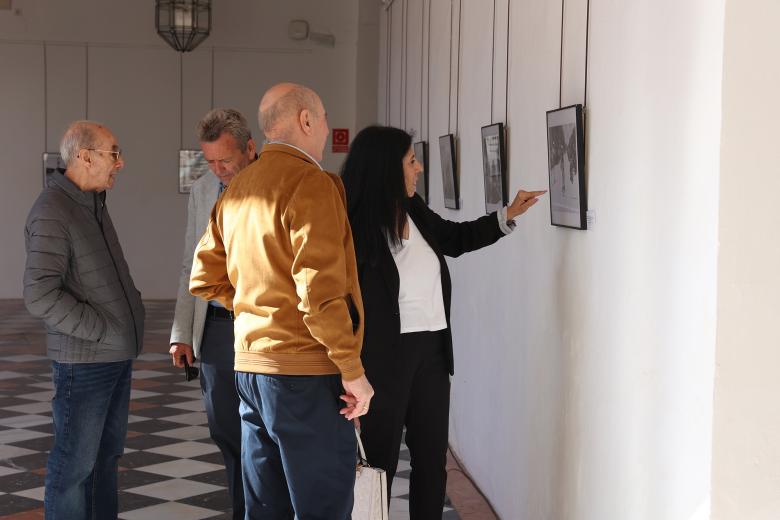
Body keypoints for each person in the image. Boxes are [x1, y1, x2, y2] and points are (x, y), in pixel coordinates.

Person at [189, 83, 375, 519]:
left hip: (251, 371)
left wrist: (257, 306)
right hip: (304, 373)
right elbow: (320, 290)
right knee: (322, 507)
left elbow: (204, 275)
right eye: (325, 117)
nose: (327, 128)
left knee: (265, 508)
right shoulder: (312, 183)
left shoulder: (238, 187)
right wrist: (353, 370)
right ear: (306, 119)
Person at [340, 125, 545, 518]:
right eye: (412, 161)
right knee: (377, 463)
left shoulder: (412, 208)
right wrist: (346, 368)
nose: (418, 170)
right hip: (382, 358)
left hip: (432, 351)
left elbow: (454, 239)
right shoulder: (351, 224)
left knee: (432, 460)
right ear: (386, 168)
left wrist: (508, 215)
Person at [23, 120, 145, 519]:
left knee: (104, 461)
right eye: (113, 152)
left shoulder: (91, 204)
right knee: (73, 466)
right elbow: (40, 293)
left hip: (110, 357)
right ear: (85, 155)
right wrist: (102, 331)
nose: (120, 162)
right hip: (85, 363)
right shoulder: (53, 210)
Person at [169, 108, 257, 519]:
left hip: (265, 328)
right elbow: (190, 261)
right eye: (211, 161)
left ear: (250, 149)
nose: (219, 169)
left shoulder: (275, 183)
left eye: (226, 160)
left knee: (267, 437)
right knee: (228, 434)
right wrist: (181, 332)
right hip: (218, 332)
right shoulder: (205, 189)